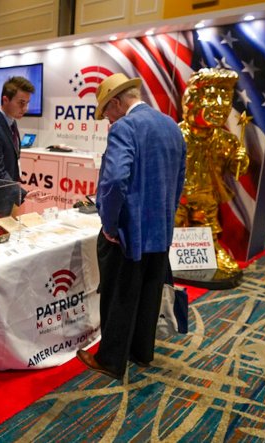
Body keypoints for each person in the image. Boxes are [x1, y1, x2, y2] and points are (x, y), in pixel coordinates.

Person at [76, 73, 186, 380]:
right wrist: (167, 215)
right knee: (149, 290)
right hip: (160, 229)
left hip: (127, 231)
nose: (107, 120)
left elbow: (113, 182)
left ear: (115, 103)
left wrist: (109, 224)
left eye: (106, 113)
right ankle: (141, 352)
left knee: (118, 293)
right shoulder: (171, 125)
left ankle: (111, 360)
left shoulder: (125, 127)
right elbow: (179, 180)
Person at [173, 69, 249, 273]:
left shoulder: (226, 140)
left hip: (206, 198)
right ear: (193, 100)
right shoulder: (175, 135)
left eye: (225, 99)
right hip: (176, 198)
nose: (220, 105)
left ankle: (211, 252)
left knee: (207, 231)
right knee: (171, 230)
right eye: (212, 97)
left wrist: (240, 160)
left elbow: (238, 171)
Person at [0, 76, 35, 216]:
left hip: (8, 194)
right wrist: (23, 194)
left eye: (27, 103)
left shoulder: (10, 122)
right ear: (5, 100)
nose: (25, 108)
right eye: (21, 103)